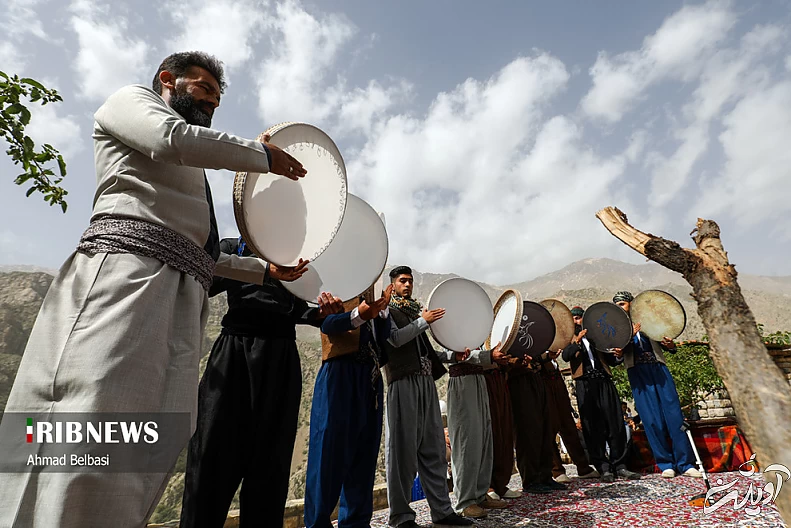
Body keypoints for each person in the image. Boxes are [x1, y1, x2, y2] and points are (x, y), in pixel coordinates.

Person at [0, 51, 310, 527]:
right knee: (87, 425)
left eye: (217, 96)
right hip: (122, 281)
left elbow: (203, 255)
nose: (211, 102)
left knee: (144, 446)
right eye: (204, 88)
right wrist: (261, 155)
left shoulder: (193, 172)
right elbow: (172, 139)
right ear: (168, 79)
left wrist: (267, 272)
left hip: (177, 303)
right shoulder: (131, 103)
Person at [180, 238, 344, 527]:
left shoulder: (295, 255)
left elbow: (297, 310)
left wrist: (321, 312)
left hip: (281, 358)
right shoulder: (232, 247)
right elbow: (206, 278)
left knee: (271, 461)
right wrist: (258, 267)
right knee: (211, 454)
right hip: (234, 351)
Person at [383, 266, 472, 528]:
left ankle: (442, 511)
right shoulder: (388, 310)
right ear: (393, 284)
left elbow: (427, 353)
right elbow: (395, 340)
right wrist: (423, 321)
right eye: (402, 281)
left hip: (425, 385)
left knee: (433, 448)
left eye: (410, 281)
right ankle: (400, 516)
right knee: (402, 451)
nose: (407, 285)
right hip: (402, 384)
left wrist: (453, 356)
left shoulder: (414, 312)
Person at [303, 284, 394, 528]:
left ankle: (356, 523)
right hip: (340, 374)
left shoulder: (373, 293)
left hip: (371, 377)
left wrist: (382, 313)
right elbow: (327, 324)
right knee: (328, 454)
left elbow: (382, 341)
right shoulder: (338, 278)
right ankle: (318, 523)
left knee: (364, 454)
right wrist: (360, 315)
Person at [612, 291, 702, 478]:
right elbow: (617, 356)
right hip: (637, 374)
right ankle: (665, 463)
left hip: (659, 370)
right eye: (617, 305)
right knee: (651, 420)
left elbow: (667, 343)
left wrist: (670, 345)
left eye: (623, 304)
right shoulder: (618, 330)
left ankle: (686, 464)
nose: (620, 308)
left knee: (674, 415)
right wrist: (630, 336)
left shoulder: (649, 318)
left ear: (631, 304)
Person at [562, 306, 641, 483]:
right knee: (592, 427)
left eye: (580, 318)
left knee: (615, 423)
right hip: (585, 383)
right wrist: (577, 342)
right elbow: (566, 356)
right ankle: (603, 467)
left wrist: (619, 355)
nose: (578, 321)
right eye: (574, 319)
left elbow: (612, 360)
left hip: (604, 381)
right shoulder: (569, 339)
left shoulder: (599, 337)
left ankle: (620, 466)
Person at [442, 344, 510, 519]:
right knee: (466, 442)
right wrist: (488, 356)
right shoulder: (450, 326)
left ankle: (480, 494)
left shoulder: (476, 328)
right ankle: (465, 501)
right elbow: (449, 354)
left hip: (479, 378)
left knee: (484, 438)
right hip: (462, 381)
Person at [507, 352, 567, 494]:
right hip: (518, 380)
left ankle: (545, 476)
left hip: (536, 377)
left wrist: (547, 356)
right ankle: (531, 480)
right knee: (528, 431)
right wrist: (517, 359)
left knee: (545, 428)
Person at [538, 348, 599, 483]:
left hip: (556, 379)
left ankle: (583, 467)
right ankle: (557, 471)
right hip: (542, 380)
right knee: (550, 428)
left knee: (569, 427)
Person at [482, 360, 522, 501]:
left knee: (504, 432)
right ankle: (488, 486)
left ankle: (501, 484)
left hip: (500, 379)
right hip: (484, 379)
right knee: (491, 433)